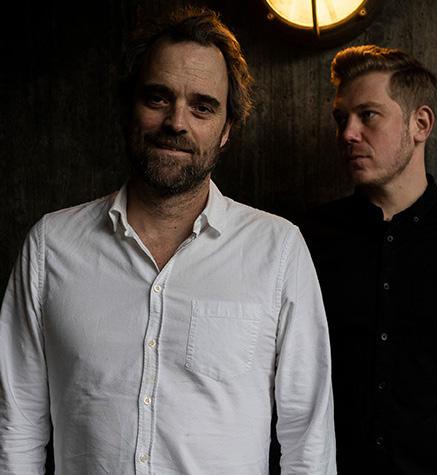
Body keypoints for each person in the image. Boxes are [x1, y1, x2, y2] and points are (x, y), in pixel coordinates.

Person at [0, 7, 336, 474]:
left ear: (227, 130)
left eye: (203, 107)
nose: (177, 122)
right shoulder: (50, 246)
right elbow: (17, 426)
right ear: (129, 107)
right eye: (158, 98)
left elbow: (308, 440)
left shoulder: (277, 250)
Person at [302, 45, 437, 474]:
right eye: (341, 119)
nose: (348, 134)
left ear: (421, 124)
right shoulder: (305, 240)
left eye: (368, 115)